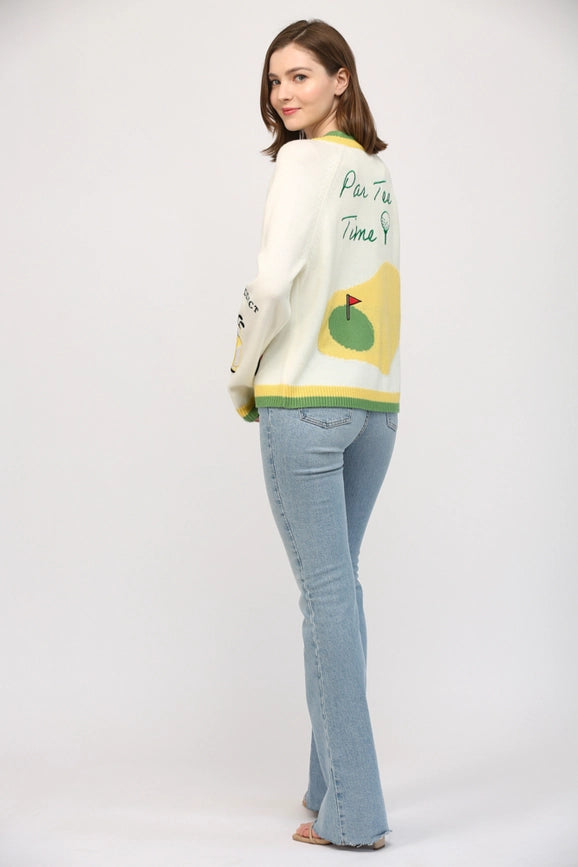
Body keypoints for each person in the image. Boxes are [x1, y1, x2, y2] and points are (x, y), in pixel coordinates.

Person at [228, 19, 400, 850]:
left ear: (341, 78)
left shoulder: (301, 164)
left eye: (300, 75)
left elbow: (271, 284)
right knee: (342, 590)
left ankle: (356, 814)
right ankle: (327, 785)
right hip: (374, 405)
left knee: (326, 597)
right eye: (274, 81)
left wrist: (240, 372)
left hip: (304, 400)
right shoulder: (374, 173)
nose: (283, 94)